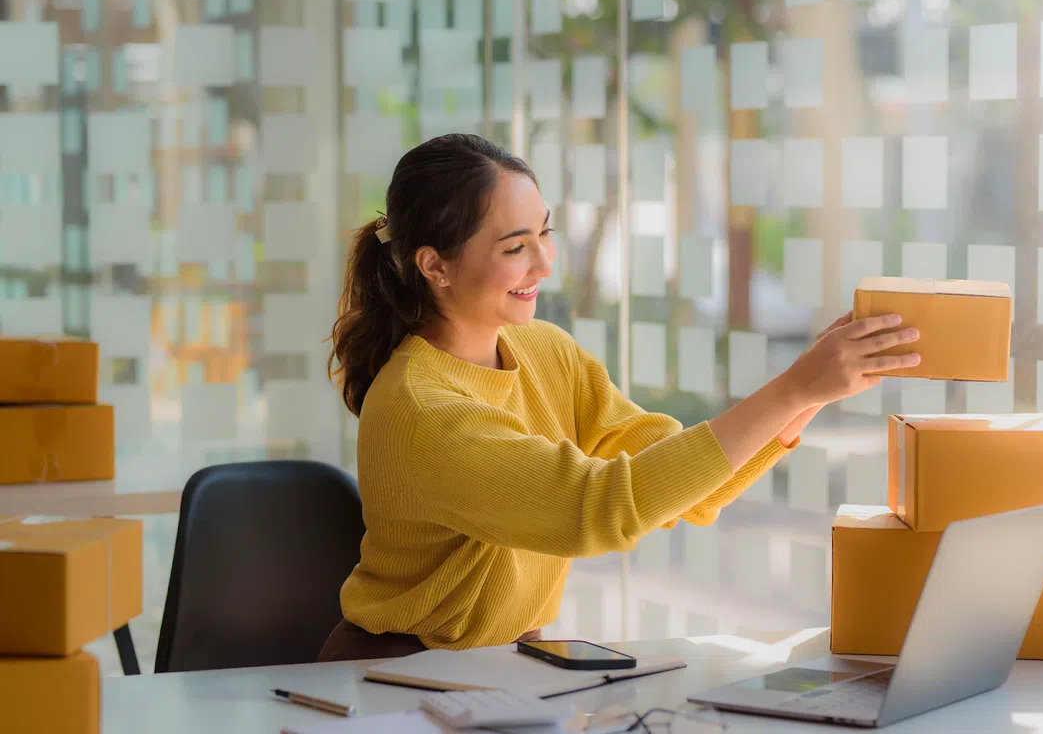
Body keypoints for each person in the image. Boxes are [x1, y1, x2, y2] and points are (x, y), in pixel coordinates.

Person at [318, 133, 919, 662]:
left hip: (496, 668)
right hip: (398, 679)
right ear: (435, 266)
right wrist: (794, 386)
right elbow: (600, 509)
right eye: (515, 246)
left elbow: (686, 487)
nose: (545, 262)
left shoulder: (546, 352)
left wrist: (808, 394)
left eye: (545, 232)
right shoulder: (422, 408)